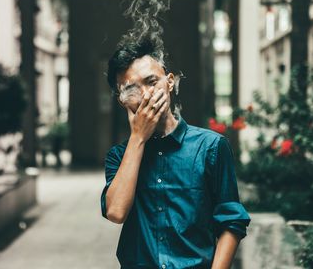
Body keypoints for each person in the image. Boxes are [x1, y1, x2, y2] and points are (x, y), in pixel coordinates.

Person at [100, 37, 251, 269]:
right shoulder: (119, 157)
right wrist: (138, 137)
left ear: (170, 82)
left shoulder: (211, 146)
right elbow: (116, 212)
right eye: (131, 89)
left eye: (152, 81)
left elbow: (231, 222)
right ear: (122, 101)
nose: (147, 95)